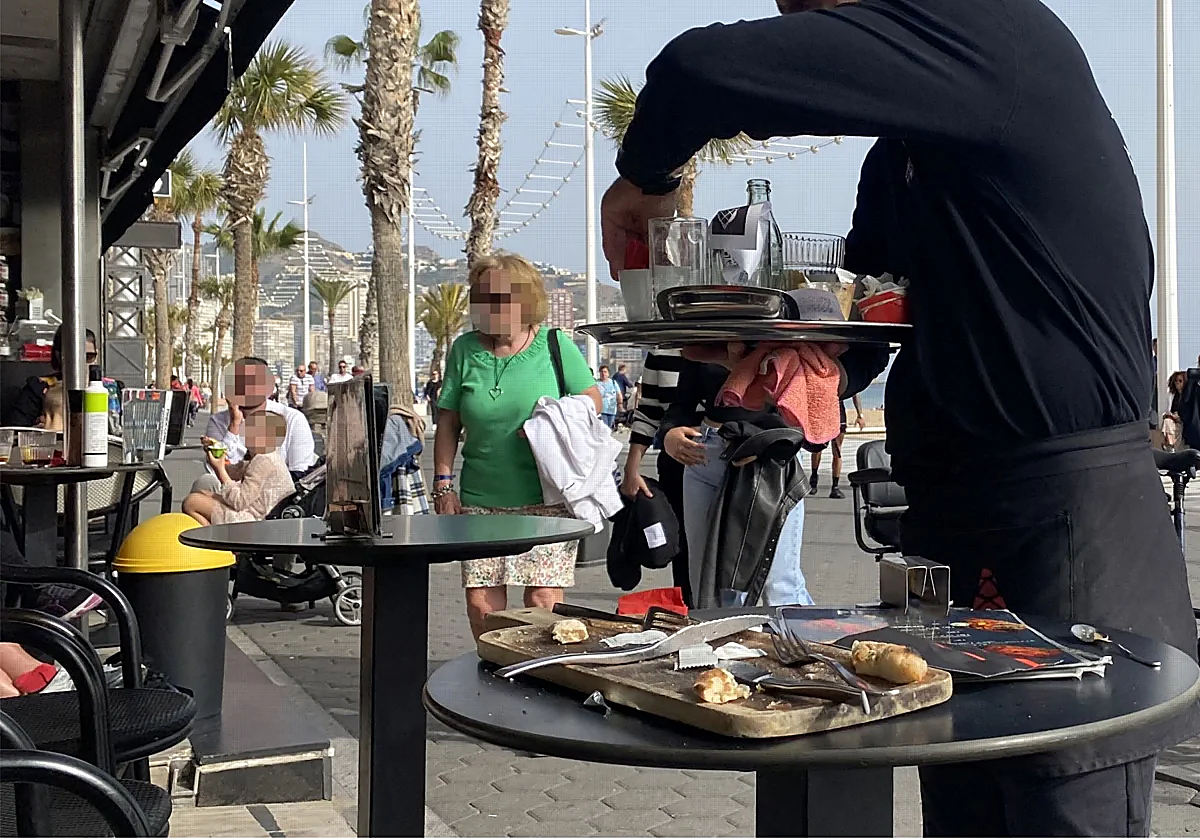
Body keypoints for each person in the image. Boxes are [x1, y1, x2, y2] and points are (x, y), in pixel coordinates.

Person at [598, 0, 1197, 834]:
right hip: (952, 535)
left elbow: (699, 71)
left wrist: (648, 178)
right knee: (959, 809)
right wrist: (762, 354)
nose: (803, 22)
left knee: (1062, 803)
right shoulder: (899, 158)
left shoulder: (1002, 35)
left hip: (1072, 529)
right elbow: (871, 331)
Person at [432, 253, 602, 639]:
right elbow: (448, 421)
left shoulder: (555, 345)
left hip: (547, 499)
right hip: (480, 499)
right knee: (482, 607)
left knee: (542, 603)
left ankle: (537, 681)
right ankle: (491, 674)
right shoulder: (464, 350)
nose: (489, 307)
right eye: (482, 298)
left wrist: (551, 423)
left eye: (499, 298)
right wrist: (443, 484)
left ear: (526, 301)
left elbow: (593, 401)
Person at [623, 349, 693, 604]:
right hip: (675, 464)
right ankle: (692, 619)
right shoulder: (662, 349)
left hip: (727, 463)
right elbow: (650, 409)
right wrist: (632, 468)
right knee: (682, 550)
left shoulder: (729, 338)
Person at [198, 357, 317, 492]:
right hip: (229, 493)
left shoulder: (293, 419)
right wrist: (234, 426)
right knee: (202, 485)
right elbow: (214, 471)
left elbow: (300, 474)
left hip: (277, 497)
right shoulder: (218, 421)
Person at [183, 412, 294, 525]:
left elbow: (239, 502)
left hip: (252, 521)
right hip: (254, 514)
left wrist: (219, 469)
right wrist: (216, 451)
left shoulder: (263, 460)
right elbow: (235, 471)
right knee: (202, 491)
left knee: (191, 502)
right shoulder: (267, 456)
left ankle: (212, 539)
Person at [4, 326, 99, 426]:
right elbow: (15, 429)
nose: (82, 363)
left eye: (89, 357)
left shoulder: (112, 389)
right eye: (74, 357)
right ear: (59, 356)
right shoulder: (38, 388)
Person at [808, 395, 864, 499]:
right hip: (822, 410)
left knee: (837, 450)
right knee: (818, 447)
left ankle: (835, 486)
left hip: (838, 411)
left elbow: (855, 393)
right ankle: (814, 478)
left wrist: (860, 415)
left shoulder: (842, 378)